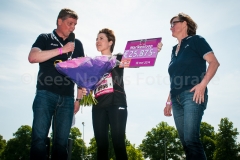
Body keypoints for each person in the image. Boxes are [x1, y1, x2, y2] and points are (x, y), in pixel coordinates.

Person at [92, 28, 163, 160]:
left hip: (116, 103)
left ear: (110, 42)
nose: (98, 41)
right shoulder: (92, 63)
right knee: (101, 146)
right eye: (96, 38)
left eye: (101, 38)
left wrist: (154, 49)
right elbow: (87, 82)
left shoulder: (118, 57)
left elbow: (138, 59)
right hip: (98, 106)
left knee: (118, 142)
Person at [28, 8, 85, 160]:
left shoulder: (77, 44)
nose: (73, 27)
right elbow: (33, 57)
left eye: (75, 24)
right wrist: (61, 50)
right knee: (39, 139)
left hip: (67, 98)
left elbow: (81, 73)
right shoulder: (45, 38)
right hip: (45, 94)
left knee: (61, 143)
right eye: (69, 23)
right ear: (59, 21)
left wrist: (78, 99)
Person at [163, 13, 220, 160]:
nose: (171, 28)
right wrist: (169, 101)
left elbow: (214, 63)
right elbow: (174, 77)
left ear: (185, 24)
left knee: (191, 140)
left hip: (192, 95)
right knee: (185, 143)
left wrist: (202, 84)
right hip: (176, 100)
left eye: (174, 23)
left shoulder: (196, 40)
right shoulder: (174, 50)